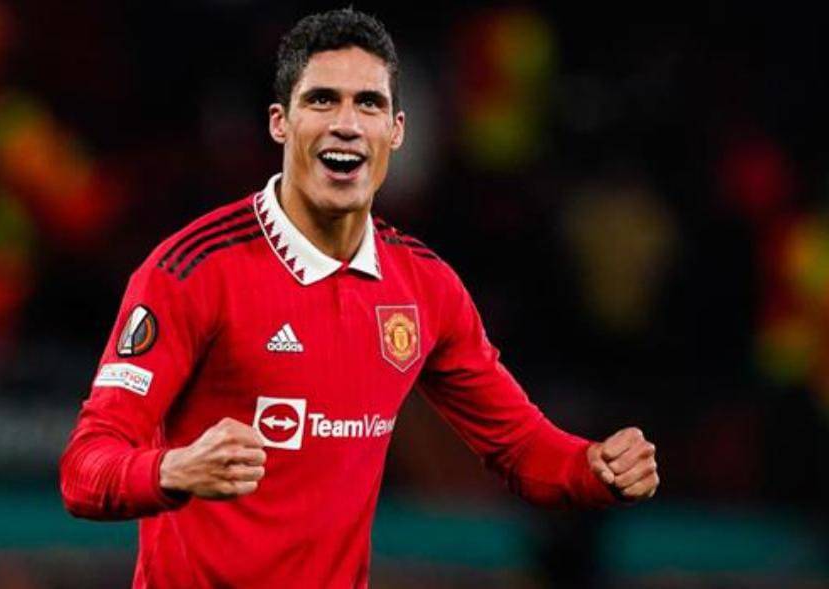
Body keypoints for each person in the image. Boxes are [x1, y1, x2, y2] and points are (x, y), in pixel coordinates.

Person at [59, 8, 658, 588]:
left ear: (395, 130)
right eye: (322, 100)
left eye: (368, 103)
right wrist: (171, 469)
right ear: (280, 123)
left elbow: (520, 447)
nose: (346, 123)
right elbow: (85, 469)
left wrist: (593, 467)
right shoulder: (190, 272)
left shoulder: (424, 287)